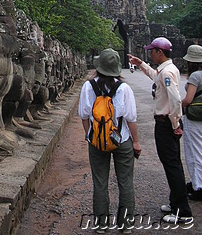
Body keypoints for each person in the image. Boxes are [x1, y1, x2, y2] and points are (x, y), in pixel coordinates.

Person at [128, 37, 193, 224]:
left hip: (166, 123)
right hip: (165, 122)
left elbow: (175, 99)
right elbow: (154, 75)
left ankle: (183, 211)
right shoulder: (165, 70)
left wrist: (175, 124)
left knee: (172, 165)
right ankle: (175, 203)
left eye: (152, 51)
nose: (150, 54)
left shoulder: (168, 72)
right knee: (171, 164)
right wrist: (141, 64)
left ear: (159, 52)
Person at [79, 48, 141, 233]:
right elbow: (131, 119)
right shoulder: (124, 88)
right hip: (121, 139)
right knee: (126, 183)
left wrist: (90, 135)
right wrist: (136, 142)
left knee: (100, 183)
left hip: (97, 141)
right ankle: (126, 224)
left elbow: (83, 115)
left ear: (98, 67)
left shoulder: (88, 86)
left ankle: (101, 225)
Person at [181, 44, 202, 201]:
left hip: (195, 119)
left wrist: (178, 104)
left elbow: (188, 99)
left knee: (194, 153)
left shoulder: (196, 76)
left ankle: (198, 186)